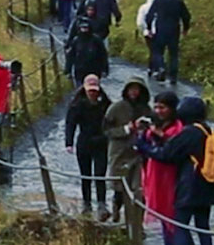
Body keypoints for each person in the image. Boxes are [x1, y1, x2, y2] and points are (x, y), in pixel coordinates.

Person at [136, 95, 214, 245]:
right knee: (203, 228)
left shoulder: (188, 132)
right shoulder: (207, 130)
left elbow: (166, 154)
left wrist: (144, 146)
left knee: (179, 226)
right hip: (208, 185)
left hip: (188, 186)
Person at [139, 91, 186, 245]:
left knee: (172, 221)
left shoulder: (177, 128)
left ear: (172, 108)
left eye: (163, 107)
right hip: (155, 175)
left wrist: (155, 139)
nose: (159, 111)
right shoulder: (157, 124)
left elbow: (170, 150)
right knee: (165, 223)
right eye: (156, 106)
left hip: (169, 178)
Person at [104, 76, 153, 224]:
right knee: (119, 187)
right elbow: (106, 130)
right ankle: (116, 214)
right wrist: (126, 129)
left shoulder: (146, 109)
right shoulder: (116, 108)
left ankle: (137, 223)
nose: (134, 92)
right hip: (119, 152)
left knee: (139, 189)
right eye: (131, 89)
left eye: (137, 89)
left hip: (139, 154)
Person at [66, 74, 113, 218]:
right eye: (90, 90)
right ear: (85, 89)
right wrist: (69, 142)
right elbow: (71, 124)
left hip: (101, 142)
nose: (93, 93)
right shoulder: (77, 105)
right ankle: (86, 203)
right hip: (84, 142)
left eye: (95, 90)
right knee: (85, 175)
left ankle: (101, 203)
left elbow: (112, 122)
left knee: (100, 175)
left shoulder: (106, 104)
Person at [143, 0, 191, 84]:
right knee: (173, 54)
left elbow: (149, 15)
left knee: (157, 51)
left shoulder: (158, 0)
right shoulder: (178, 1)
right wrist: (186, 28)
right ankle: (173, 77)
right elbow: (186, 16)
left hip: (161, 29)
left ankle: (161, 67)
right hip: (174, 30)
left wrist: (149, 28)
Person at [65, 18, 108, 87]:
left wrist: (105, 69)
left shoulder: (96, 40)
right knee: (80, 89)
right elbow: (70, 56)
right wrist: (68, 71)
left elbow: (103, 55)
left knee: (93, 89)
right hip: (80, 71)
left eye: (86, 28)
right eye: (82, 28)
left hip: (94, 70)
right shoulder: (76, 41)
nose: (84, 30)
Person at [136, 0, 161, 78]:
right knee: (157, 50)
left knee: (152, 50)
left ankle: (152, 68)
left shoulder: (143, 7)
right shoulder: (160, 7)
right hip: (158, 32)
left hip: (148, 33)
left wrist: (144, 30)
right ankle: (156, 68)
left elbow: (139, 22)